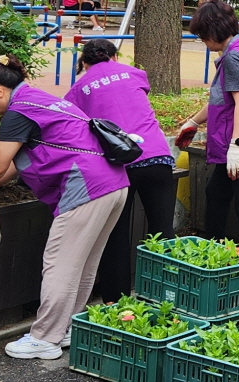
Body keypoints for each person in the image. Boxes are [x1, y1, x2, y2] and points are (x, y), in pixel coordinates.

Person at [0, 57, 130, 361]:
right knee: (83, 263)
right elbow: (12, 165)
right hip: (114, 182)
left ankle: (44, 337)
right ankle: (65, 327)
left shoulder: (17, 111)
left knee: (60, 262)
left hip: (86, 189)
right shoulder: (41, 100)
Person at [65, 39, 174, 299]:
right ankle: (167, 294)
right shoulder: (134, 73)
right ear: (114, 57)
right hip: (157, 156)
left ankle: (117, 303)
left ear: (84, 63)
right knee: (162, 231)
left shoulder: (79, 88)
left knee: (115, 235)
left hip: (119, 166)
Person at [177, 0, 239, 253]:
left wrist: (236, 146)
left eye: (202, 36)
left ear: (213, 30)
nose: (204, 42)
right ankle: (215, 249)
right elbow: (222, 100)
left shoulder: (233, 58)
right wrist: (192, 122)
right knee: (217, 194)